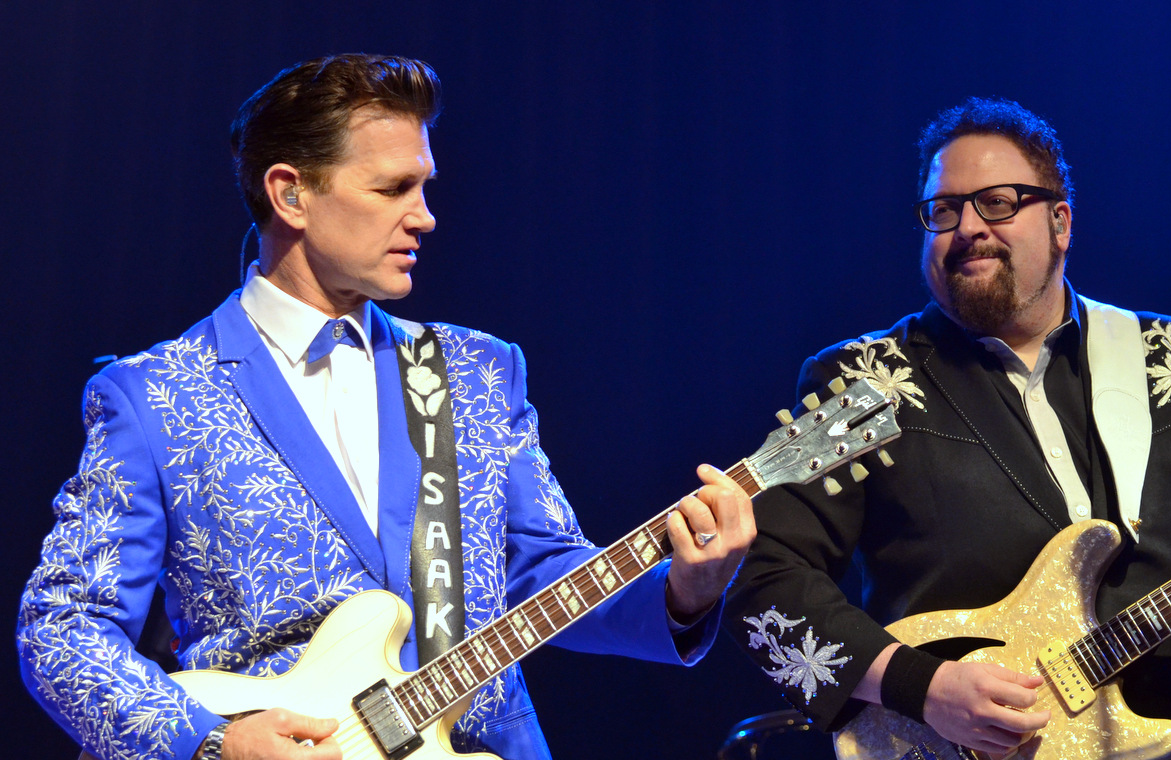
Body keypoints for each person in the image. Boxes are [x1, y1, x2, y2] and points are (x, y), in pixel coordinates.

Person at [17, 54, 755, 760]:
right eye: (392, 188)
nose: (426, 216)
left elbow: (544, 570)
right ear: (290, 194)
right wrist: (217, 743)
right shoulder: (156, 395)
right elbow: (63, 626)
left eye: (425, 186)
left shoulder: (475, 370)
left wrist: (685, 593)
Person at [726, 97, 1171, 758]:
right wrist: (923, 686)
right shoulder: (864, 383)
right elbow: (760, 585)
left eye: (998, 202)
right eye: (943, 210)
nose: (968, 227)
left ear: (1061, 223)